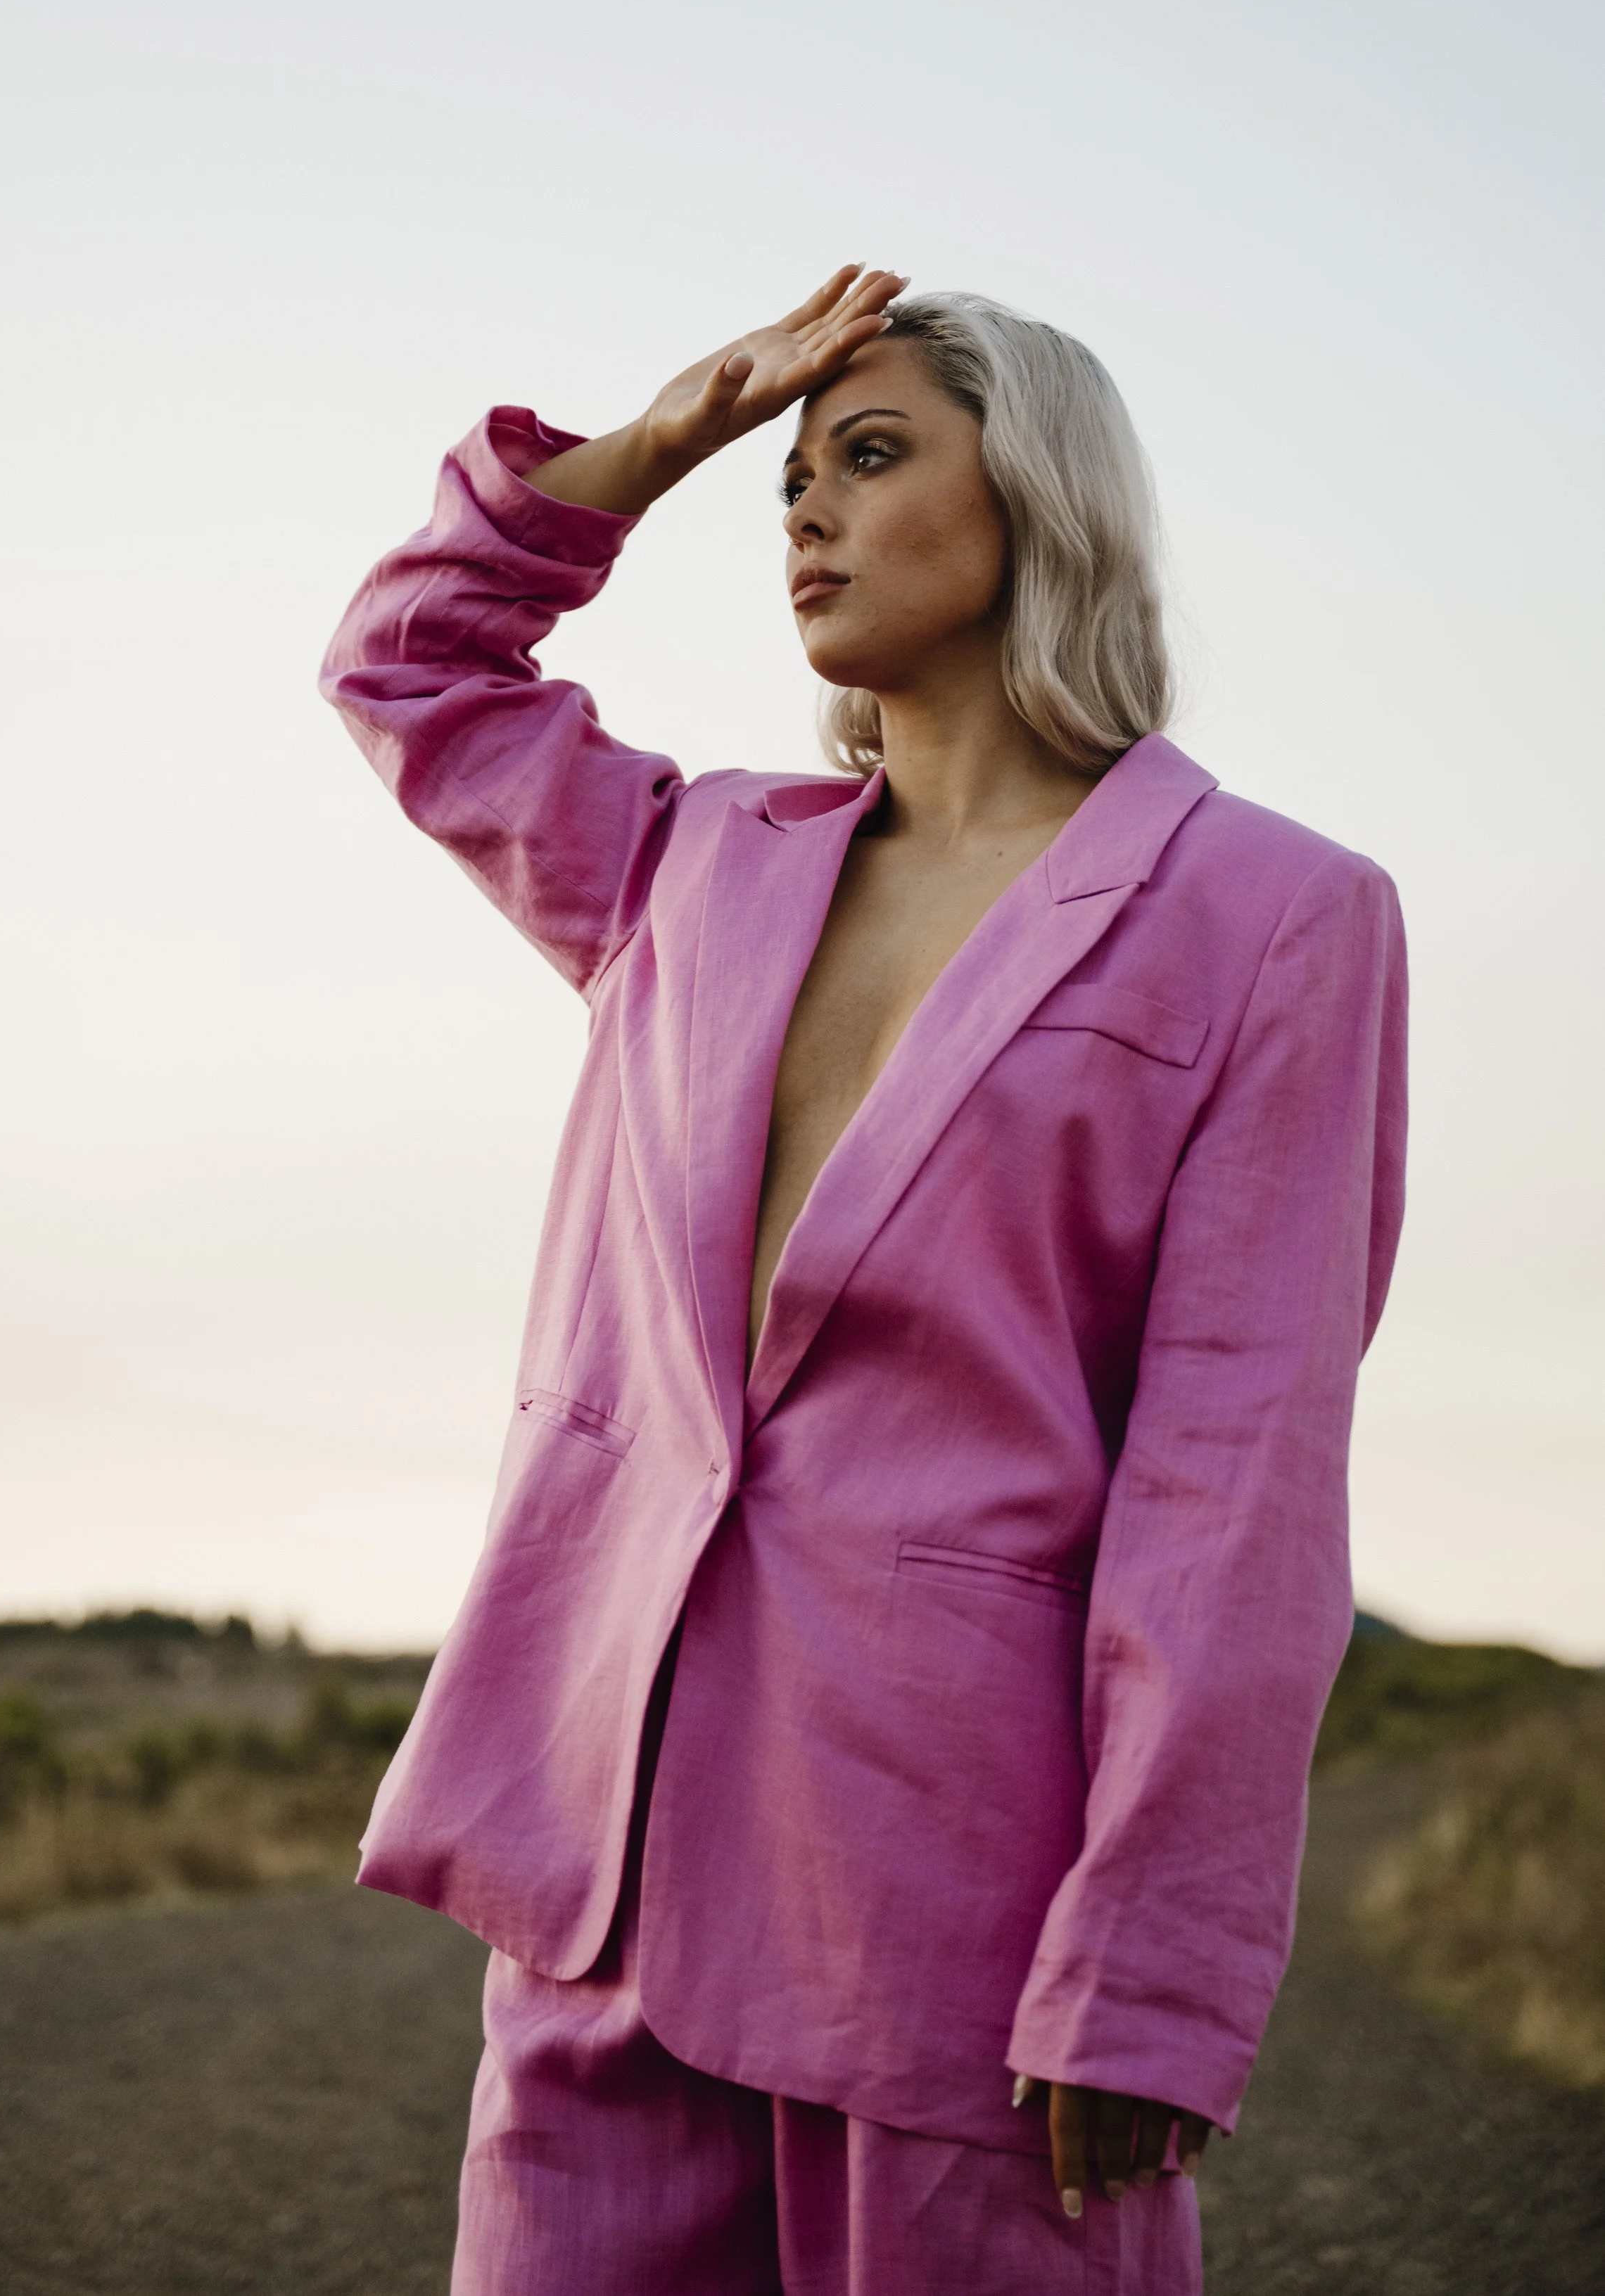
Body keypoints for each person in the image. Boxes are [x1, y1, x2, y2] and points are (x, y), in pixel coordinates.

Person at [320, 267, 1409, 2294]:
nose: (806, 506)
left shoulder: (1275, 916)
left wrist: (1152, 1959)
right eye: (790, 476)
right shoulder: (693, 864)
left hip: (954, 1925)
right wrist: (660, 440)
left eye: (874, 454)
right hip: (598, 1876)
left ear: (1040, 496)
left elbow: (1238, 1480)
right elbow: (409, 666)